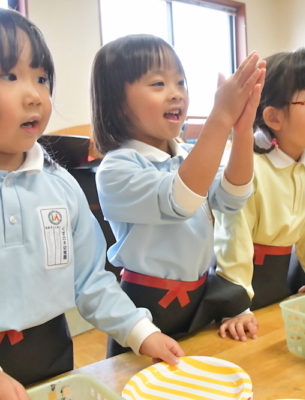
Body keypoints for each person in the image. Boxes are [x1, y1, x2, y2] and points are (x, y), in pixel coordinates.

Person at [0, 8, 184, 400]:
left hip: (51, 357)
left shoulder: (60, 185)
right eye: (9, 76)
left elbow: (90, 281)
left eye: (41, 78)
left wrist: (141, 331)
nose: (35, 95)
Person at [91, 35, 265, 356]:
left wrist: (241, 131)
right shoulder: (117, 168)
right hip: (144, 307)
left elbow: (232, 198)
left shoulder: (187, 156)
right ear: (118, 102)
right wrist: (220, 117)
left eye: (181, 82)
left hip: (197, 298)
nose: (176, 93)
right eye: (158, 83)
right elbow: (180, 201)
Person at [207, 49, 305, 342]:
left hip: (276, 282)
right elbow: (234, 237)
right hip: (235, 287)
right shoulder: (247, 165)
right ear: (274, 117)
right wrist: (235, 304)